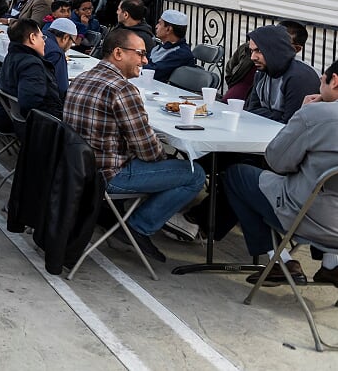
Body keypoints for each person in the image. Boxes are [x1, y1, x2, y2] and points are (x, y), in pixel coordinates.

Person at [63, 28, 206, 264]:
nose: (145, 60)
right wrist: (166, 159)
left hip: (77, 169)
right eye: (140, 54)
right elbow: (148, 151)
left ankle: (124, 219)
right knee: (194, 173)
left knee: (171, 165)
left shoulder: (82, 77)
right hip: (109, 176)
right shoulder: (122, 89)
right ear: (118, 53)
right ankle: (138, 227)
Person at [225, 59, 338, 286]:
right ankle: (332, 266)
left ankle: (279, 261)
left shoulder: (316, 115)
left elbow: (277, 161)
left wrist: (304, 114)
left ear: (334, 81)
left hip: (309, 217)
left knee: (237, 175)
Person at [0, 19, 63, 135]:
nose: (44, 42)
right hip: (42, 128)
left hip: (12, 119)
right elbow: (31, 103)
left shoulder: (12, 56)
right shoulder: (32, 65)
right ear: (32, 38)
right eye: (42, 38)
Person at [245, 24, 320, 123]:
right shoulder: (262, 73)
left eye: (259, 50)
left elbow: (291, 123)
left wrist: (268, 114)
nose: (253, 57)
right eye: (251, 51)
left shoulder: (298, 78)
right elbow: (251, 110)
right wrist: (278, 114)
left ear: (275, 49)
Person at [143, 9, 196, 83]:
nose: (156, 26)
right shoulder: (160, 47)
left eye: (160, 23)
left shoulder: (181, 53)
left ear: (168, 29)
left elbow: (155, 72)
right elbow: (146, 60)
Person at [44, 17, 79, 96]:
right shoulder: (56, 53)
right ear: (65, 37)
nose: (71, 46)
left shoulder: (37, 38)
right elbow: (62, 88)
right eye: (72, 42)